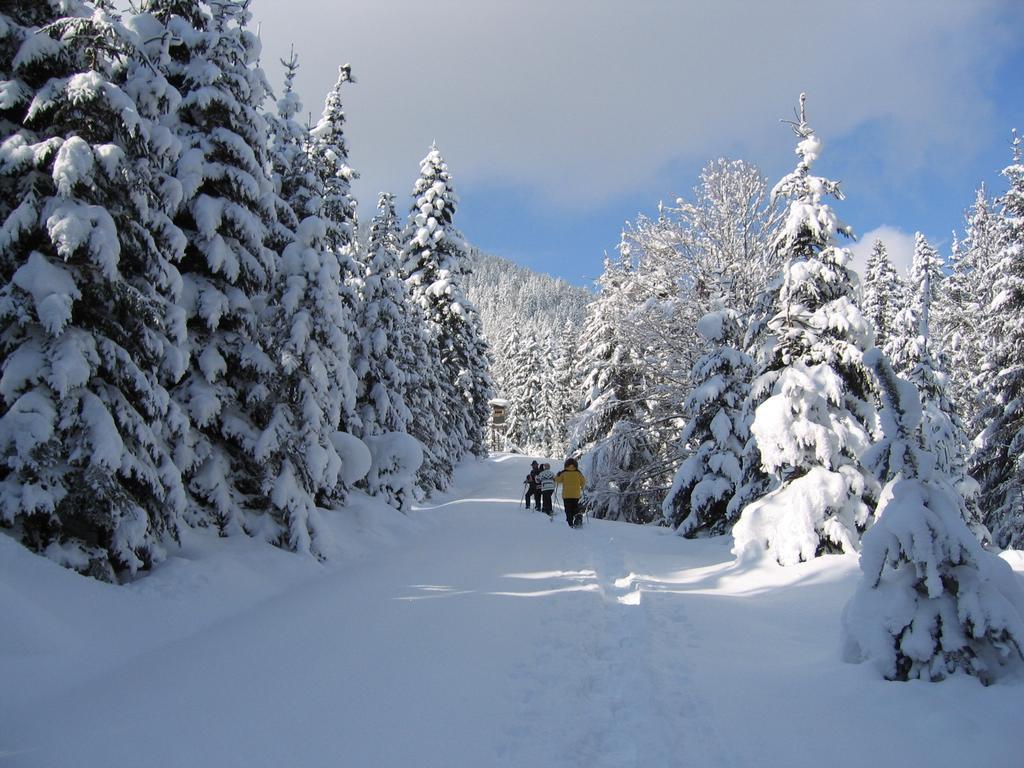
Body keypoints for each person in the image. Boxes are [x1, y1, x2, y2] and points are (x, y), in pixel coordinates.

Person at [555, 458, 586, 528]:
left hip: (566, 494)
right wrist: (582, 487)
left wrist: (557, 475)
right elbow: (583, 481)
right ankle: (578, 517)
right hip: (576, 494)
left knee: (568, 509)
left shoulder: (564, 473)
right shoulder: (578, 473)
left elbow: (558, 481)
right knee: (575, 507)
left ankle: (570, 523)